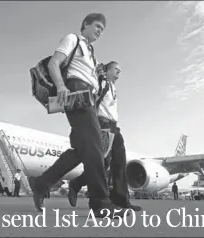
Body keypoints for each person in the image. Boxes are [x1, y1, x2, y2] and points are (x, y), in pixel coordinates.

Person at [29, 13, 129, 218]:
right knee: (94, 146)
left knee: (83, 150)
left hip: (87, 98)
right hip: (75, 91)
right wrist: (60, 86)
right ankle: (100, 203)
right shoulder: (73, 39)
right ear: (85, 25)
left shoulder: (92, 54)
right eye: (97, 26)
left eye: (102, 29)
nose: (100, 31)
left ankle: (42, 183)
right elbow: (54, 63)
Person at [67, 61, 142, 211]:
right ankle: (76, 184)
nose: (119, 73)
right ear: (107, 70)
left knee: (120, 164)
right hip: (103, 125)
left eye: (120, 70)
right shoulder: (101, 84)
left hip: (115, 127)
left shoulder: (113, 87)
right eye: (116, 69)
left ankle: (122, 201)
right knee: (102, 164)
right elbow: (92, 103)